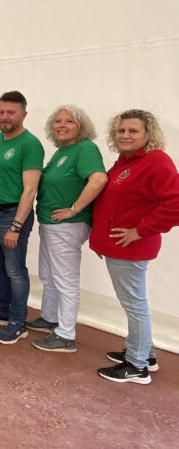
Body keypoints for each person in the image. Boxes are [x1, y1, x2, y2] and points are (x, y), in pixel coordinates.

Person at [91, 109, 179, 384]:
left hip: (130, 249)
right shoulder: (126, 161)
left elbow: (175, 204)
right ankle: (145, 353)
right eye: (121, 130)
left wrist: (140, 231)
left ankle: (137, 366)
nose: (125, 135)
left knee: (134, 304)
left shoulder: (157, 162)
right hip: (117, 247)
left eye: (133, 131)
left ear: (147, 134)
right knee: (134, 302)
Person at [28, 106, 107, 353]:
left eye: (69, 121)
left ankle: (65, 335)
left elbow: (99, 179)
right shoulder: (62, 151)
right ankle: (50, 318)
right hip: (51, 224)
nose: (61, 125)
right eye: (57, 121)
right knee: (49, 275)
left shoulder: (85, 149)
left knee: (65, 280)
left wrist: (74, 208)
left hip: (67, 226)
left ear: (81, 126)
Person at [0, 91, 44, 344]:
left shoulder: (30, 144)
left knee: (15, 271)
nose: (5, 117)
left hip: (13, 216)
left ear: (23, 114)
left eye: (11, 112)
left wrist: (16, 225)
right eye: (1, 112)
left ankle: (17, 322)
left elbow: (30, 189)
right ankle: (1, 309)